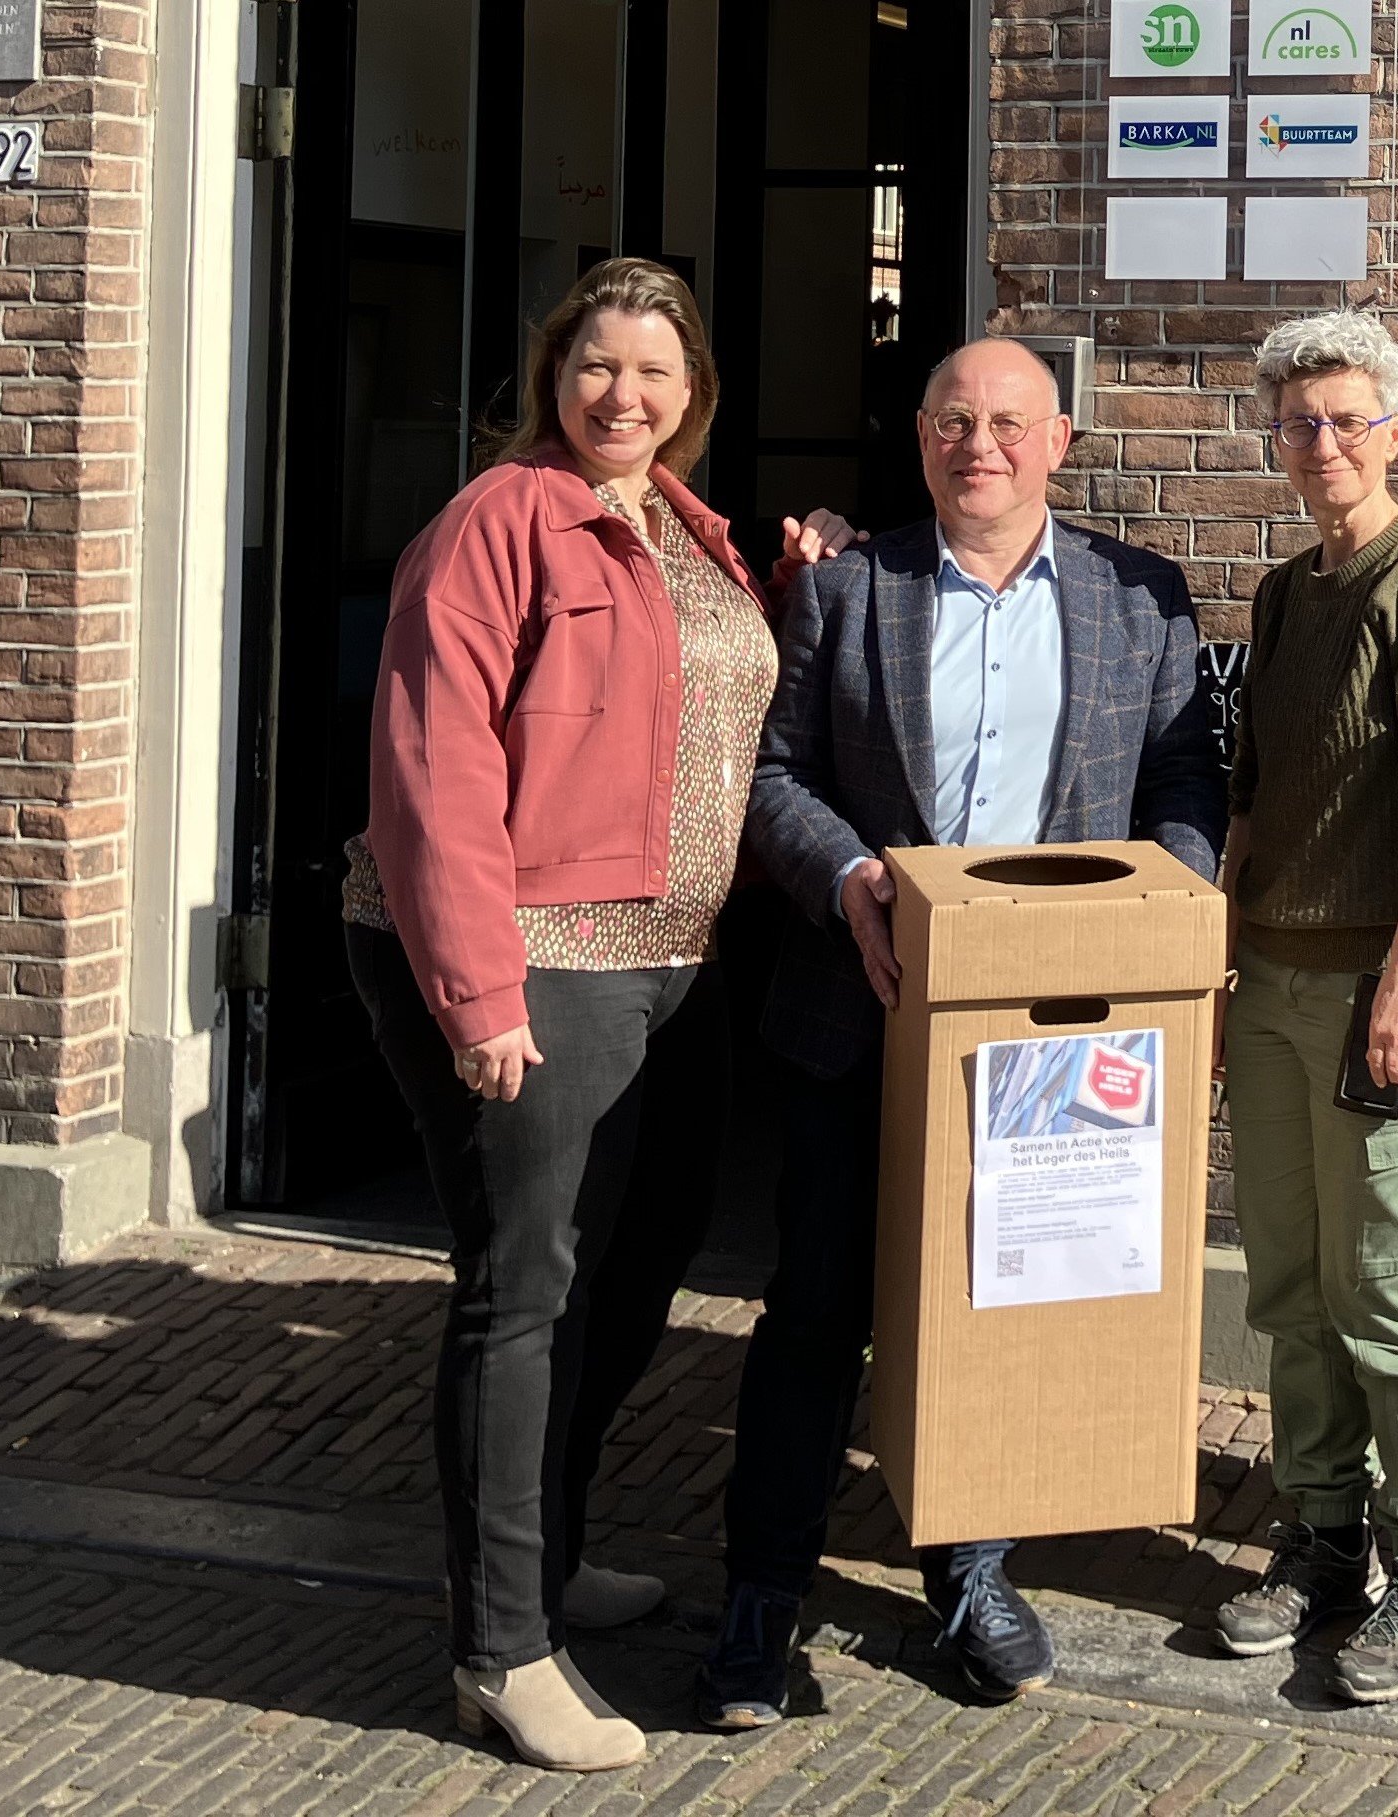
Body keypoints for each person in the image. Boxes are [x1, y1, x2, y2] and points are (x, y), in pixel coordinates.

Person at [344, 256, 854, 1771]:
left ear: (691, 396)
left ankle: (542, 1555)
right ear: (553, 374)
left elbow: (704, 712)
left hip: (675, 958)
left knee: (640, 1258)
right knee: (528, 1289)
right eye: (594, 367)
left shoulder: (685, 529)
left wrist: (805, 573)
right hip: (538, 956)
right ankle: (499, 1647)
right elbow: (433, 764)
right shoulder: (500, 519)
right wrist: (479, 988)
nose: (621, 395)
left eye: (653, 373)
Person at [701, 337, 1226, 1726]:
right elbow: (773, 775)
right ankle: (760, 1594)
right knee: (817, 1309)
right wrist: (849, 875)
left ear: (1057, 441)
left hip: (1041, 1035)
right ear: (919, 438)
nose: (976, 443)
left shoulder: (1138, 597)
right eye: (950, 420)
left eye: (1005, 421)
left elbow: (1181, 774)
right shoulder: (847, 586)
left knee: (1002, 1304)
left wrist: (1156, 915)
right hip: (859, 1007)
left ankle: (969, 1570)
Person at [1201, 313, 1398, 1703]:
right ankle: (1323, 1533)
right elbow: (1258, 791)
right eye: (1297, 422)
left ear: (1396, 429)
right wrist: (1218, 952)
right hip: (1268, 976)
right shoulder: (1283, 591)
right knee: (1290, 1278)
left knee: (1388, 1280)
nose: (1319, 443)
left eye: (1345, 419)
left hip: (1386, 980)